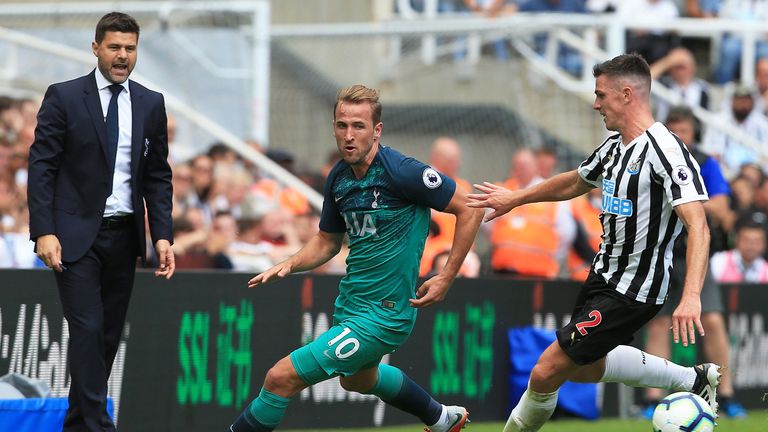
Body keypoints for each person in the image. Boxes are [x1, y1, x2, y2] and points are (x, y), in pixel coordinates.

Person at [467, 53, 720, 432]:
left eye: (602, 94)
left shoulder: (666, 152)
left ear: (627, 94)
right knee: (580, 370)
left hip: (634, 289)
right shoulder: (616, 147)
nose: (596, 103)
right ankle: (692, 380)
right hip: (602, 278)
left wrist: (691, 296)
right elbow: (575, 181)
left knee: (544, 371)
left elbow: (699, 227)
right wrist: (514, 197)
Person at [228, 85, 483, 432]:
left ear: (376, 130)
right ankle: (441, 418)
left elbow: (468, 209)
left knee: (280, 377)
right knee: (359, 381)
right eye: (342, 125)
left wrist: (446, 276)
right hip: (351, 304)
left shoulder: (402, 172)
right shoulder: (338, 178)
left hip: (385, 314)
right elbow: (327, 242)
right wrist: (290, 261)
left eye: (358, 126)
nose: (349, 135)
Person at [27, 12, 175, 431]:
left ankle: (79, 424)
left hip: (124, 237)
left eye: (129, 48)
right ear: (96, 49)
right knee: (88, 328)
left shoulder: (150, 103)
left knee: (107, 337)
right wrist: (44, 230)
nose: (122, 55)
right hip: (73, 238)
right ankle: (97, 425)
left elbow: (157, 175)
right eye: (114, 47)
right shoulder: (64, 96)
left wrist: (162, 235)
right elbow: (42, 168)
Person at [641, 106, 746, 419]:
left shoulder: (704, 161)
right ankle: (652, 399)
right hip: (660, 252)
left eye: (684, 130)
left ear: (694, 133)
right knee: (658, 323)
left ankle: (724, 395)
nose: (679, 136)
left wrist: (684, 198)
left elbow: (723, 207)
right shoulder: (652, 158)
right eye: (673, 130)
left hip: (695, 252)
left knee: (712, 320)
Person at [710, 215, 768, 282]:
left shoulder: (766, 270)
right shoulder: (719, 261)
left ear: (764, 244)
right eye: (746, 240)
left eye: (756, 242)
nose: (751, 246)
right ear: (737, 240)